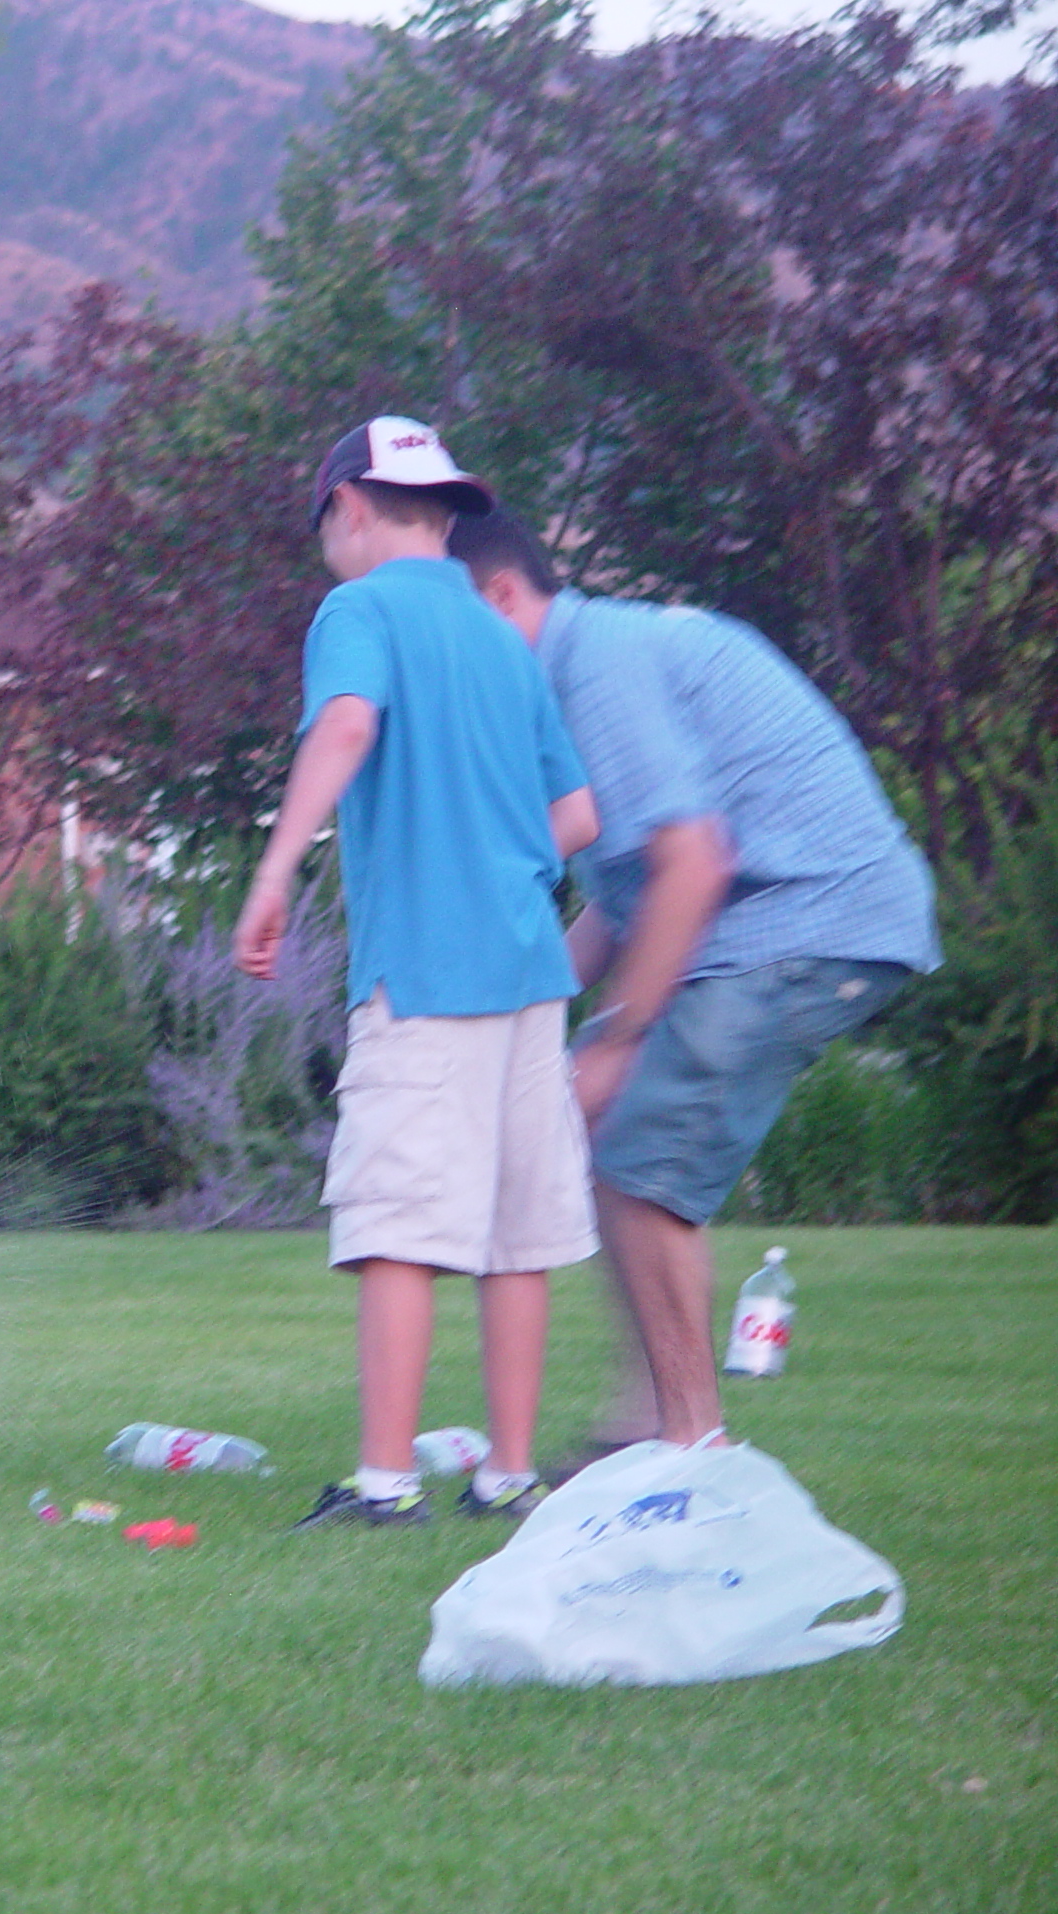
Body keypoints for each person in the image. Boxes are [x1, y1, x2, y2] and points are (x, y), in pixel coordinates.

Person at [449, 509, 939, 1453]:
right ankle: (647, 1426)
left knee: (642, 1172)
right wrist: (525, 1021)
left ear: (501, 597)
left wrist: (618, 1039)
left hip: (808, 918)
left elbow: (693, 863)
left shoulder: (595, 669)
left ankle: (686, 1454)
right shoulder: (586, 665)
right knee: (611, 1140)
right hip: (764, 922)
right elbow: (623, 901)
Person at [237, 417, 603, 1529]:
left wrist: (271, 872)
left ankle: (385, 1483)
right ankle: (507, 1476)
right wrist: (502, 853)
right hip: (531, 971)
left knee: (396, 1221)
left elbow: (346, 725)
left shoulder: (356, 609)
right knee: (516, 1232)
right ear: (444, 513)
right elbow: (579, 811)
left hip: (426, 974)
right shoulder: (502, 636)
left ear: (347, 506)